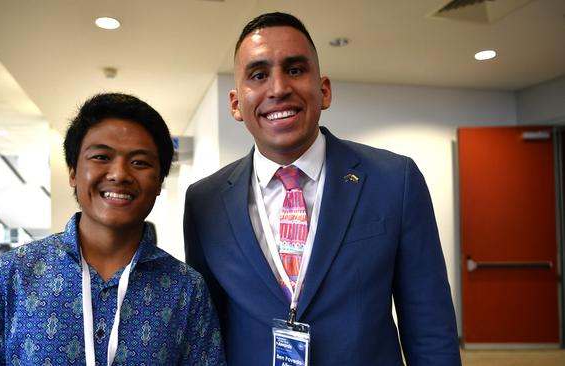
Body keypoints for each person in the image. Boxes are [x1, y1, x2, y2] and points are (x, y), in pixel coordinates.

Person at [184, 12, 460, 365]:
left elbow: (430, 327)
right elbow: (209, 332)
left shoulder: (395, 180)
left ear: (324, 90)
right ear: (237, 104)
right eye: (258, 74)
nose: (279, 88)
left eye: (295, 70)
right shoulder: (204, 201)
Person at [0, 93, 225, 365]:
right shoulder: (13, 275)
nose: (119, 174)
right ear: (73, 172)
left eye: (139, 162)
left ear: (160, 181)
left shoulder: (186, 289)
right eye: (101, 157)